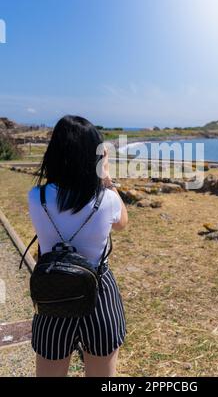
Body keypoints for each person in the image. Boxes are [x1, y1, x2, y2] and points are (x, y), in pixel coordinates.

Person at [27, 115, 128, 377]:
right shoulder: (106, 199)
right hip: (100, 292)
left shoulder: (37, 197)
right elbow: (122, 223)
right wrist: (105, 177)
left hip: (53, 291)